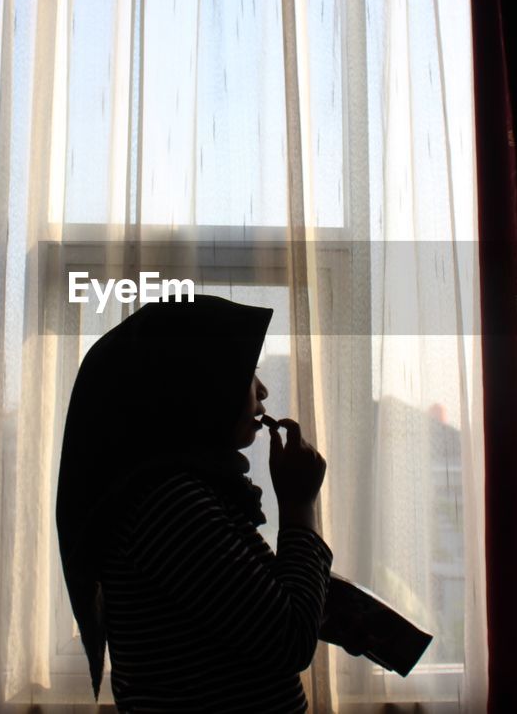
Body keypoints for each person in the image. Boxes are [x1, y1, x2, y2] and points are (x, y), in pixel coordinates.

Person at [56, 295, 332, 712]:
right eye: (247, 372)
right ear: (196, 385)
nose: (263, 390)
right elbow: (289, 639)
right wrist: (299, 505)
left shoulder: (174, 494)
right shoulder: (168, 505)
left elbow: (246, 617)